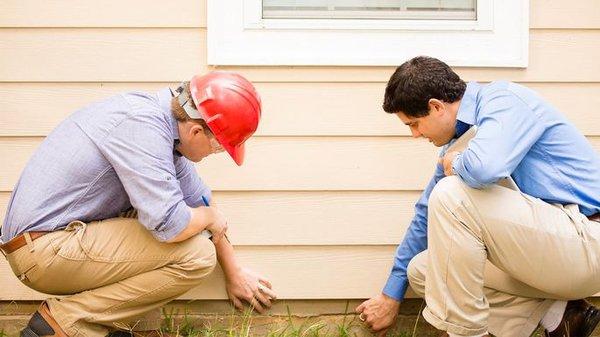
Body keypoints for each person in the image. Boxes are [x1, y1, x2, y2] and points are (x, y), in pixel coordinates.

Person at [1, 71, 277, 337]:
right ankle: (66, 324)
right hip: (42, 250)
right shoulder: (142, 128)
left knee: (175, 222)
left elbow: (201, 202)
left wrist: (234, 272)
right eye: (218, 147)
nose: (215, 154)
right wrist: (206, 217)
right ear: (195, 131)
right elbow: (172, 224)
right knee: (197, 254)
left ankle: (85, 326)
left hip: (52, 244)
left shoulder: (166, 133)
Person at [356, 56, 600, 337]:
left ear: (436, 107)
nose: (414, 134)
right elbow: (425, 215)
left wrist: (455, 163)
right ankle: (563, 315)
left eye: (414, 124)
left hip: (587, 240)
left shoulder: (503, 101)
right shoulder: (458, 145)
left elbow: (485, 168)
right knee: (424, 270)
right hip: (553, 253)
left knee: (451, 194)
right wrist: (391, 296)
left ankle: (468, 334)